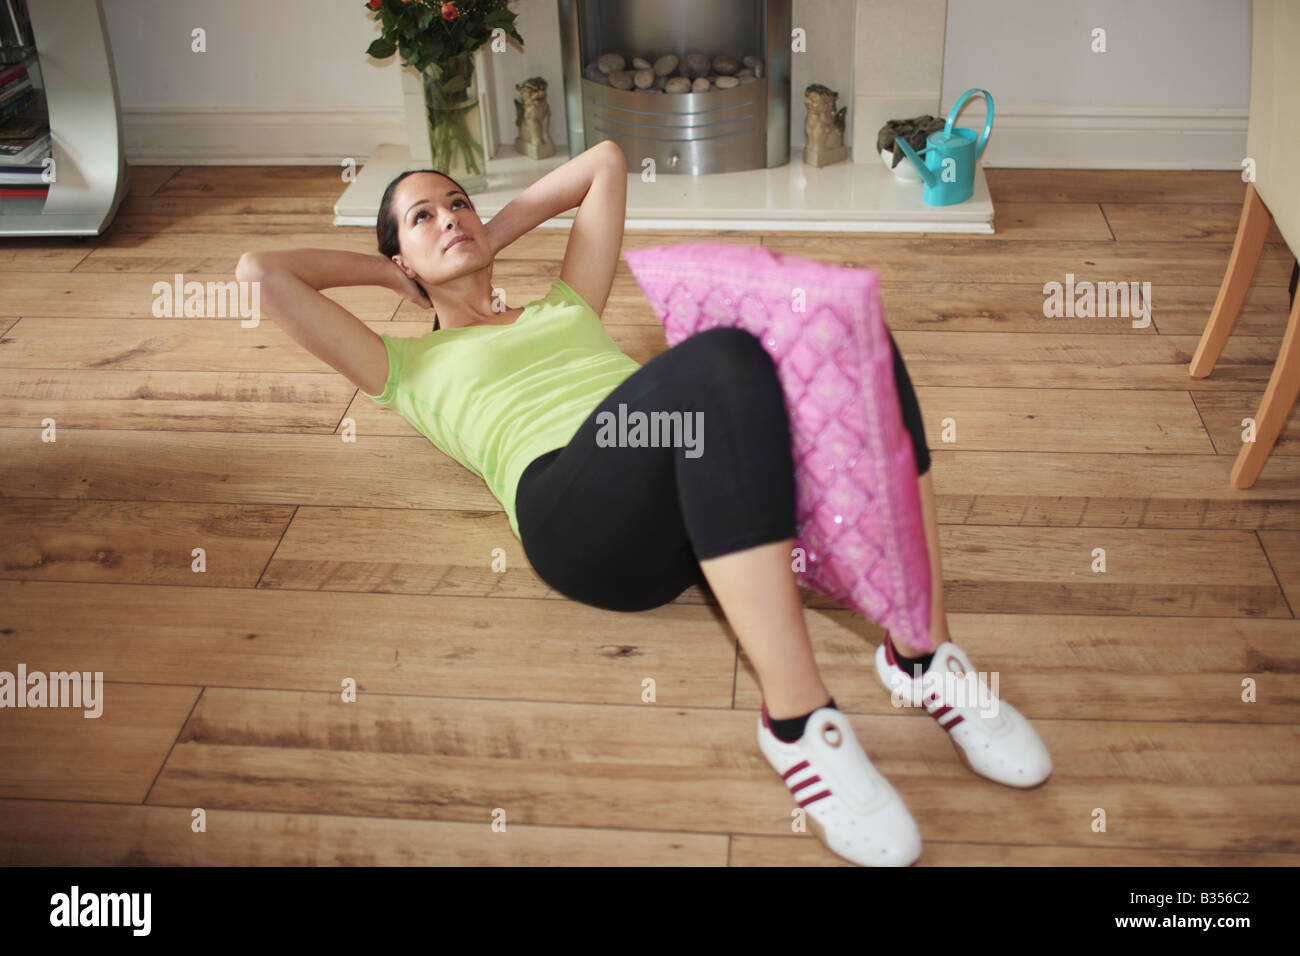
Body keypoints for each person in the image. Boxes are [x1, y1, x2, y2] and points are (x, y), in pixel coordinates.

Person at [235, 140, 1051, 867]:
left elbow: (605, 163)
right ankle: (798, 724)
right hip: (575, 513)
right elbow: (261, 274)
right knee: (718, 363)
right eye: (422, 216)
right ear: (401, 259)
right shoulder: (404, 367)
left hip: (688, 494)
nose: (450, 217)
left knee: (851, 330)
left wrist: (477, 237)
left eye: (458, 204)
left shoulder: (565, 302)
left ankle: (922, 654)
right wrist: (390, 271)